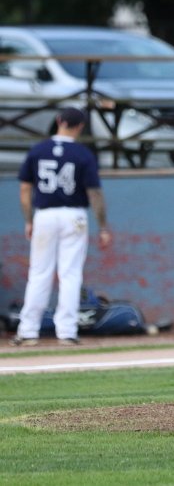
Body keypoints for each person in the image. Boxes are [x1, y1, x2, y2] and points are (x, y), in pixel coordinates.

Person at [9, 107, 112, 347]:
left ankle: (28, 330)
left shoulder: (38, 150)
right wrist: (103, 226)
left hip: (44, 214)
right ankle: (66, 331)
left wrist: (29, 219)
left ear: (58, 121)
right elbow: (94, 193)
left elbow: (25, 189)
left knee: (39, 273)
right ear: (80, 126)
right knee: (70, 274)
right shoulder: (83, 154)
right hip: (74, 215)